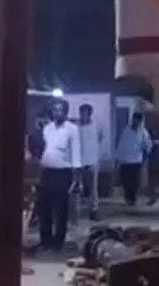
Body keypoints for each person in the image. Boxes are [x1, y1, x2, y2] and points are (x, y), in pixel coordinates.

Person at [37, 100, 80, 252]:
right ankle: (45, 240)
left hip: (62, 174)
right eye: (55, 110)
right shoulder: (47, 128)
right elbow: (44, 149)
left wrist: (76, 178)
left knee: (60, 209)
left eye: (60, 110)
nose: (57, 113)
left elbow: (76, 153)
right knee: (44, 208)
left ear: (65, 112)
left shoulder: (72, 129)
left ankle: (58, 242)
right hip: (47, 172)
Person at [75, 103, 104, 221]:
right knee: (77, 187)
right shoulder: (76, 127)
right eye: (81, 113)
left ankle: (94, 211)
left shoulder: (96, 126)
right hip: (78, 162)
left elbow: (100, 138)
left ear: (89, 114)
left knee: (93, 188)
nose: (82, 115)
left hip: (92, 161)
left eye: (85, 113)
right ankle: (75, 212)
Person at [115, 112, 151, 206]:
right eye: (135, 119)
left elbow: (147, 145)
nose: (136, 122)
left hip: (136, 160)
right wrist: (117, 159)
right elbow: (121, 145)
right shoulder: (126, 131)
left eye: (139, 120)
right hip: (125, 160)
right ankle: (128, 197)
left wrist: (147, 153)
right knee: (126, 181)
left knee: (135, 181)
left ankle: (132, 197)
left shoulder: (143, 132)